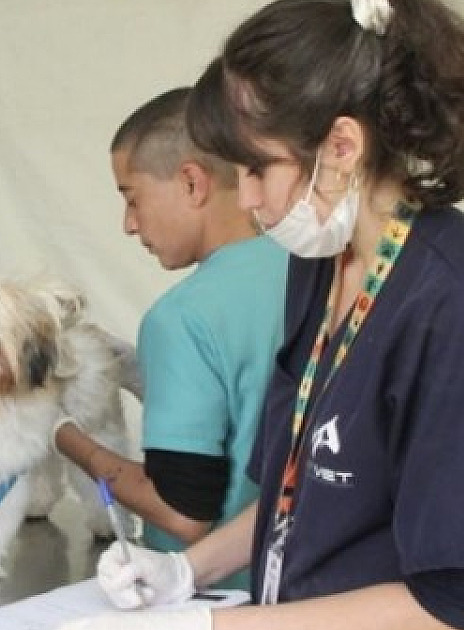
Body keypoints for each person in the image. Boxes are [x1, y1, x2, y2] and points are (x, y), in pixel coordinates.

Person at [58, 0, 464, 629]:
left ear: (341, 147)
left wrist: (207, 626)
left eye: (256, 169)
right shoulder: (322, 266)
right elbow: (297, 493)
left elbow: (447, 606)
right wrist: (188, 571)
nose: (245, 199)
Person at [53, 87, 287, 590]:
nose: (128, 225)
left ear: (192, 182)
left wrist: (64, 435)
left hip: (214, 590)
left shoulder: (179, 318)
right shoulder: (315, 276)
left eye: (132, 198)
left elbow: (183, 512)